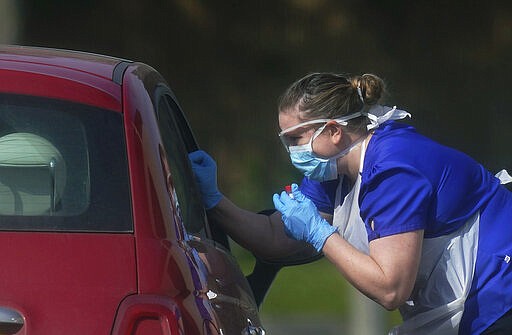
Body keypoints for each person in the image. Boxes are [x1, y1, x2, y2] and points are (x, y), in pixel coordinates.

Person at [189, 72, 512, 334]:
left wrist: (321, 235)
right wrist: (215, 201)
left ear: (333, 130)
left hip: (497, 298)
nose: (290, 151)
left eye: (294, 139)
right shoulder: (335, 169)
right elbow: (278, 238)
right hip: (464, 303)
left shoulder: (393, 169)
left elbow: (390, 288)